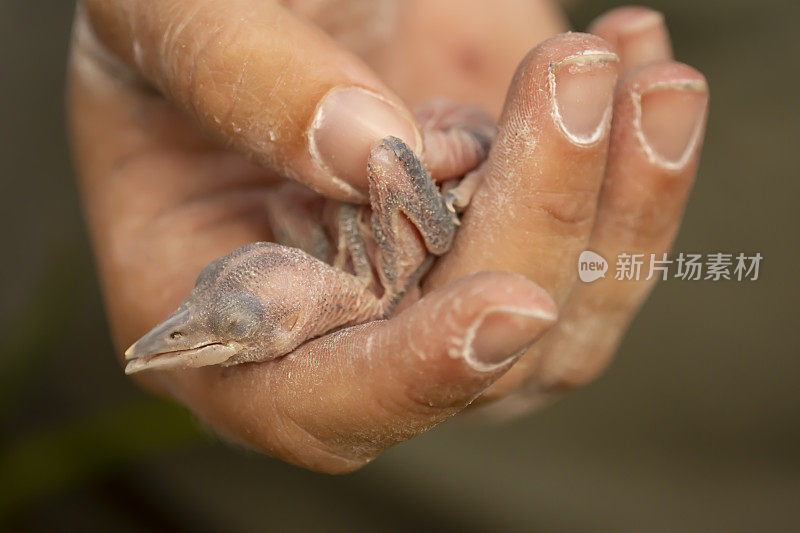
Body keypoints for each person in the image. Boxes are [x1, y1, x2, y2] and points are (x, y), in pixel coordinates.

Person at [68, 0, 708, 473]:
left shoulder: (380, 258)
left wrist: (437, 173)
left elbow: (388, 160)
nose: (184, 332)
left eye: (238, 320)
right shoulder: (348, 253)